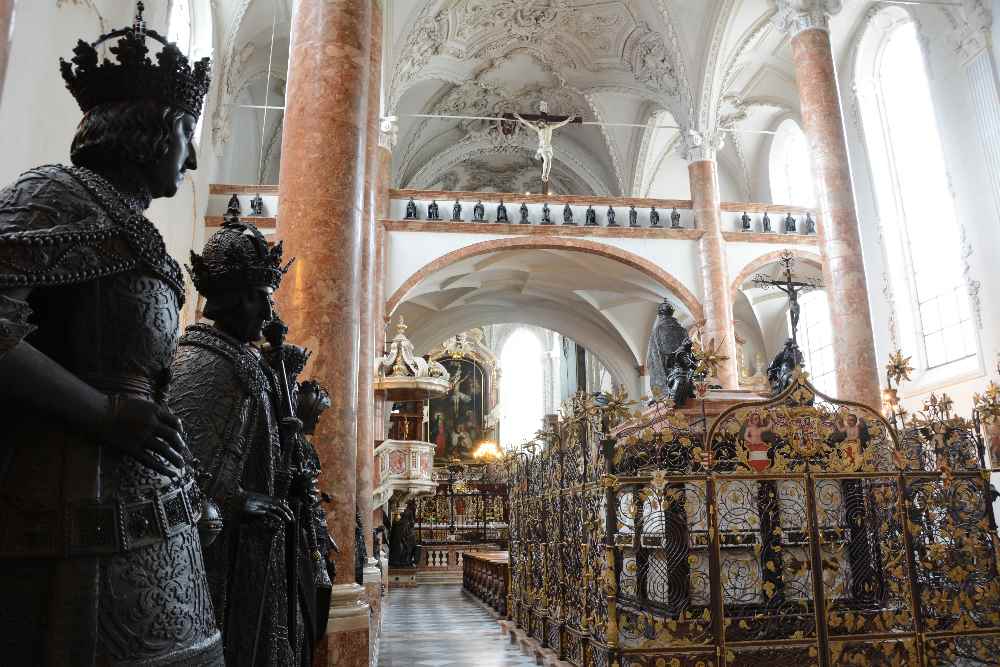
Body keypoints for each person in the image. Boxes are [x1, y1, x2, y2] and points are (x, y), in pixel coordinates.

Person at [0, 5, 222, 664]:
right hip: (60, 503)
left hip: (152, 510)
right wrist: (98, 411)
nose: (193, 156)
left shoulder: (133, 222)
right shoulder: (55, 193)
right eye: (189, 132)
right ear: (155, 131)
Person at [167, 218, 305, 666]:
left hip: (250, 548)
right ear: (238, 298)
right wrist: (240, 500)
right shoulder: (200, 363)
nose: (268, 316)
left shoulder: (239, 359)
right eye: (263, 301)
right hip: (215, 553)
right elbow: (178, 472)